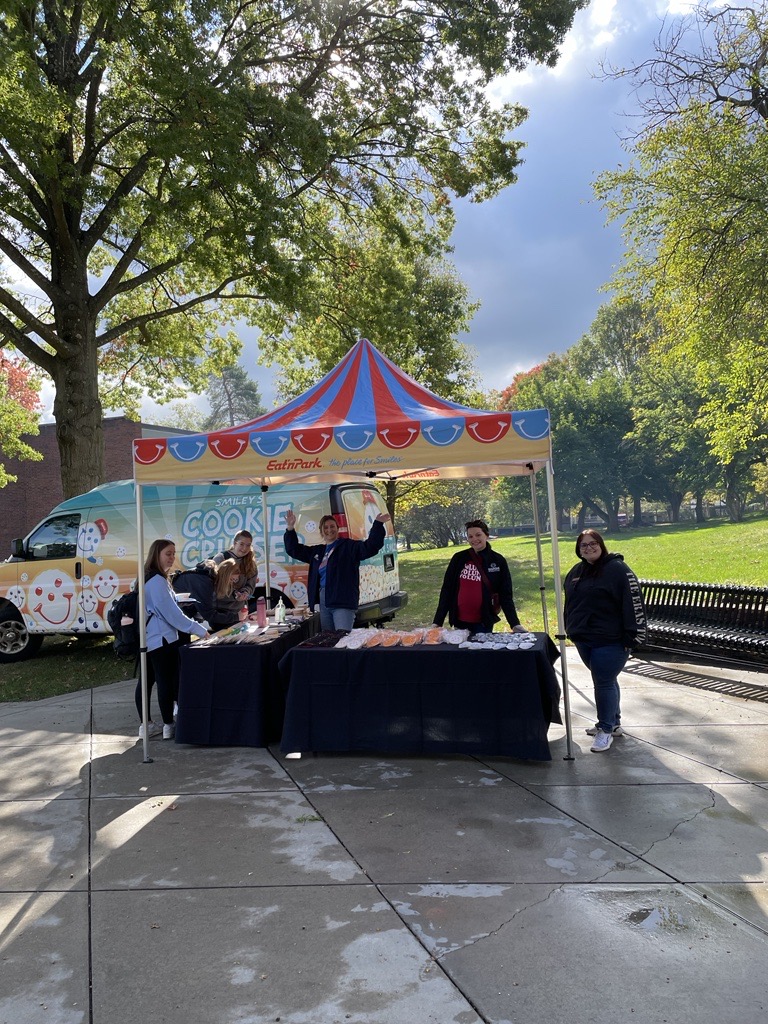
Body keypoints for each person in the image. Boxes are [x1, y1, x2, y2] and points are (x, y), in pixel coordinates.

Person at [563, 529, 647, 753]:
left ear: (601, 545)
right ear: (578, 549)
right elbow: (570, 602)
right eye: (583, 545)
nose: (588, 548)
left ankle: (605, 730)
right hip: (584, 638)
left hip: (611, 640)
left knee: (603, 681)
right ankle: (613, 723)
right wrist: (570, 627)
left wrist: (633, 635)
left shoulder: (617, 570)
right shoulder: (577, 571)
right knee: (607, 679)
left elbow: (633, 602)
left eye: (593, 543)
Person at [137, 539, 209, 741]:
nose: (172, 557)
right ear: (156, 555)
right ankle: (168, 725)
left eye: (173, 553)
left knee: (148, 682)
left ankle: (147, 725)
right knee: (164, 681)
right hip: (160, 639)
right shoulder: (156, 581)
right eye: (168, 553)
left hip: (148, 638)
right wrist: (198, 629)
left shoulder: (148, 577)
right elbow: (171, 614)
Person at [283, 508, 390, 631]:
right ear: (321, 532)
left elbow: (370, 546)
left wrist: (378, 525)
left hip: (342, 600)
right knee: (328, 638)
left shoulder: (348, 547)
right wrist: (290, 528)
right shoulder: (318, 552)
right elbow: (294, 550)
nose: (329, 530)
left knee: (342, 636)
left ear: (337, 528)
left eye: (332, 526)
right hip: (324, 601)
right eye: (326, 527)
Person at [432, 519, 526, 635]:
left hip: (483, 622)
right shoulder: (458, 558)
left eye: (478, 535)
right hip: (460, 621)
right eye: (470, 536)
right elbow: (447, 590)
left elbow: (505, 594)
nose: (474, 539)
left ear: (486, 535)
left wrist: (515, 624)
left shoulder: (498, 560)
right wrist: (437, 622)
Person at [213, 530, 258, 605]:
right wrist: (234, 593)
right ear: (234, 543)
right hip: (220, 606)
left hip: (239, 607)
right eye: (241, 544)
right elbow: (215, 583)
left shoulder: (251, 563)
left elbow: (250, 585)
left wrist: (245, 592)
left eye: (248, 545)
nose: (244, 548)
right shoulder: (221, 558)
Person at [211, 557, 247, 628]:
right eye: (231, 579)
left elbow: (230, 592)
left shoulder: (227, 584)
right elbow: (221, 598)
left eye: (235, 580)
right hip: (220, 623)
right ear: (225, 576)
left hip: (231, 620)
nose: (232, 582)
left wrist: (236, 594)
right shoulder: (213, 588)